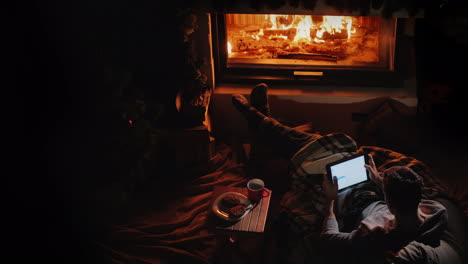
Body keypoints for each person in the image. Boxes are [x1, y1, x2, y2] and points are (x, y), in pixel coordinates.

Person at [231, 83, 461, 264]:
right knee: (339, 151)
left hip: (344, 201)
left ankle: (261, 122)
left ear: (391, 204)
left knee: (315, 160)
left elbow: (329, 238)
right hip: (370, 189)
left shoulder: (375, 236)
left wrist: (330, 200)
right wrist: (378, 180)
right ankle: (262, 123)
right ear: (418, 198)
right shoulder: (436, 213)